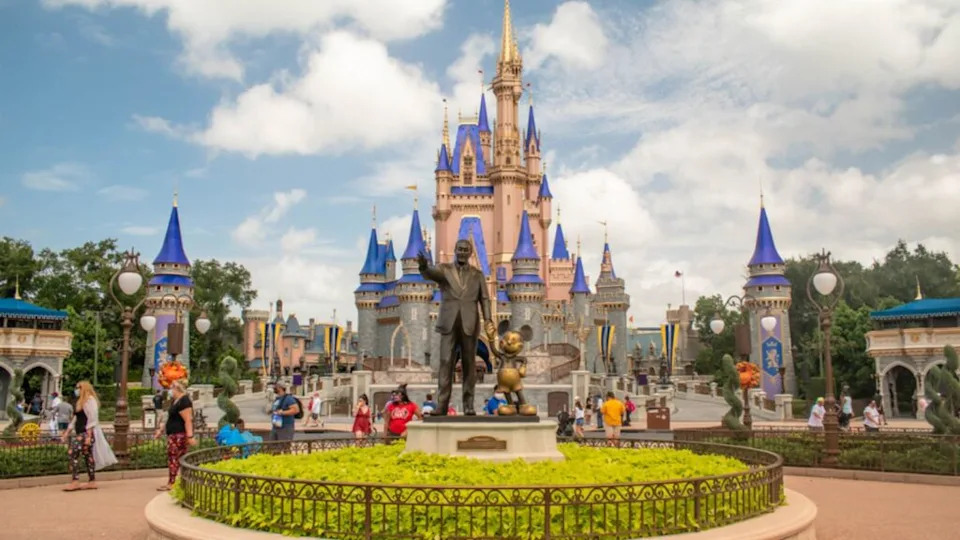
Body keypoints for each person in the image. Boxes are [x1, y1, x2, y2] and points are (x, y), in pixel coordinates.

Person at [417, 240, 496, 416]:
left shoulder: (477, 274)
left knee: (469, 364)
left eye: (465, 250)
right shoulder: (445, 270)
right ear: (454, 250)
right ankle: (442, 405)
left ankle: (468, 405)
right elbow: (430, 274)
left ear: (470, 253)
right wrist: (423, 267)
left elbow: (484, 298)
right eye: (459, 249)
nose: (462, 252)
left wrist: (488, 319)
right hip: (449, 323)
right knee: (445, 362)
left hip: (470, 323)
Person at [154, 380, 197, 491]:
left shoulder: (184, 401)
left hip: (179, 435)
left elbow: (188, 420)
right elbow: (169, 418)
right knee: (173, 458)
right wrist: (161, 430)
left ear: (176, 388)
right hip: (173, 434)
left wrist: (190, 436)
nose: (169, 391)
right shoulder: (175, 401)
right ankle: (176, 481)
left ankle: (173, 483)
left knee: (175, 458)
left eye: (171, 389)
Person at [61, 381, 99, 492]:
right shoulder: (81, 402)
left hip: (85, 433)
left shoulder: (90, 400)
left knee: (73, 452)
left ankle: (75, 480)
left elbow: (92, 418)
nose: (76, 390)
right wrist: (67, 432)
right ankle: (91, 481)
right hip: (80, 432)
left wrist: (89, 435)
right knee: (87, 455)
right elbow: (75, 419)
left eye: (79, 388)